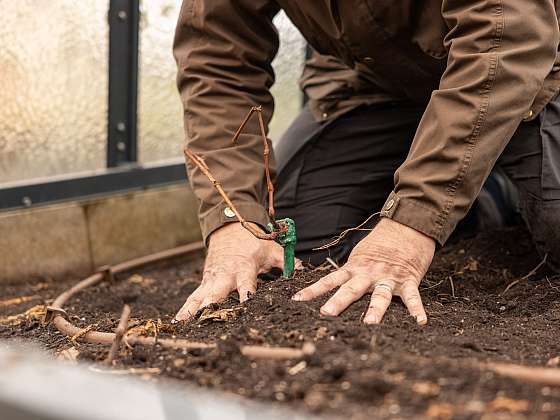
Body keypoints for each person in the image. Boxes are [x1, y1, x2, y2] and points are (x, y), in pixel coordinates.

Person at [172, 1, 560, 325]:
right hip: (377, 76)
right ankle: (478, 202)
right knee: (304, 244)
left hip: (530, 67)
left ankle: (493, 182)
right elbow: (216, 55)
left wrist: (416, 221)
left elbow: (505, 40)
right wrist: (235, 219)